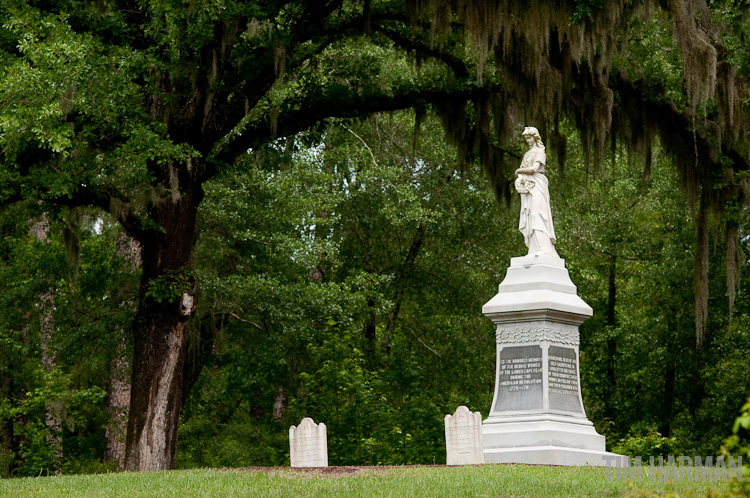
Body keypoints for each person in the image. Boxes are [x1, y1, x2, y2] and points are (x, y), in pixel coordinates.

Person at [514, 127, 559, 258]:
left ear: (535, 137)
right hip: (529, 187)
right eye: (526, 138)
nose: (528, 141)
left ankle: (544, 250)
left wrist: (519, 171)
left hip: (538, 185)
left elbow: (534, 169)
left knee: (537, 214)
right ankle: (533, 250)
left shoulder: (540, 152)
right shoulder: (527, 154)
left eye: (529, 137)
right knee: (529, 216)